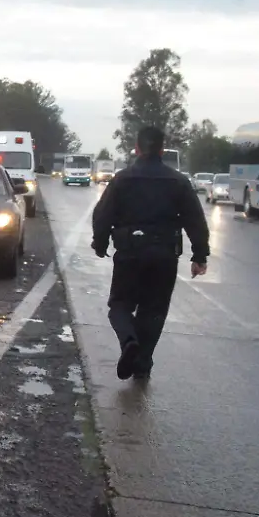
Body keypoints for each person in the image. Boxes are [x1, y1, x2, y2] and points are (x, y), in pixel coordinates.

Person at [91, 125, 210, 381]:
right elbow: (195, 220)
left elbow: (102, 214)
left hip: (129, 253)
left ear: (137, 148)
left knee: (120, 306)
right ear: (161, 149)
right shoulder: (178, 181)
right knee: (153, 310)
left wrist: (99, 243)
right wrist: (200, 255)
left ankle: (128, 341)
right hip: (164, 256)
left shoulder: (122, 179)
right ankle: (142, 363)